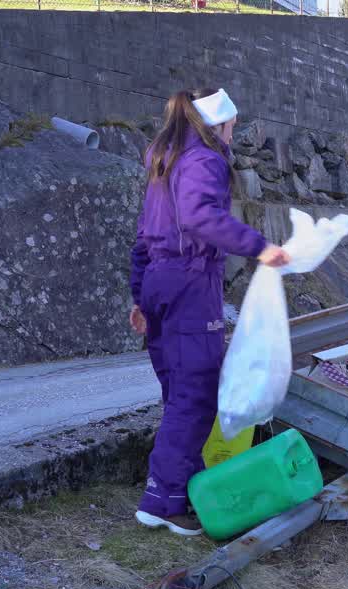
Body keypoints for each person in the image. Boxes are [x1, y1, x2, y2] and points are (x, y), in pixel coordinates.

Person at [128, 88, 290, 535]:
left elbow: (143, 239)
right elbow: (201, 218)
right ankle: (163, 501)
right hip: (190, 283)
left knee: (177, 391)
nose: (234, 133)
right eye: (232, 125)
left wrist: (140, 297)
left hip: (162, 280)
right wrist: (260, 248)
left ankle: (181, 489)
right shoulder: (204, 159)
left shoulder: (167, 160)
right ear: (217, 123)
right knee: (196, 393)